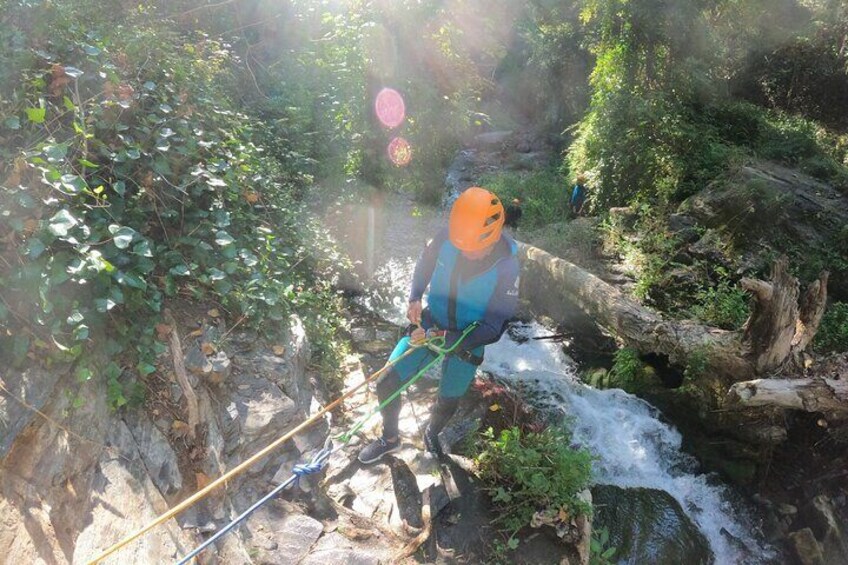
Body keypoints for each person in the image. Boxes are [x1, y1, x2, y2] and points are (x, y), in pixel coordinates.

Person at [358, 186, 521, 464]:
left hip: (468, 341)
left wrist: (448, 337)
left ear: (491, 237)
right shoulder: (448, 237)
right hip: (431, 324)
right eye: (462, 247)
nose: (466, 253)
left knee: (449, 399)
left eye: (473, 249)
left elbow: (495, 326)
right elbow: (425, 263)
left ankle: (432, 433)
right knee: (387, 384)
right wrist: (414, 297)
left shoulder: (508, 265)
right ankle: (390, 439)